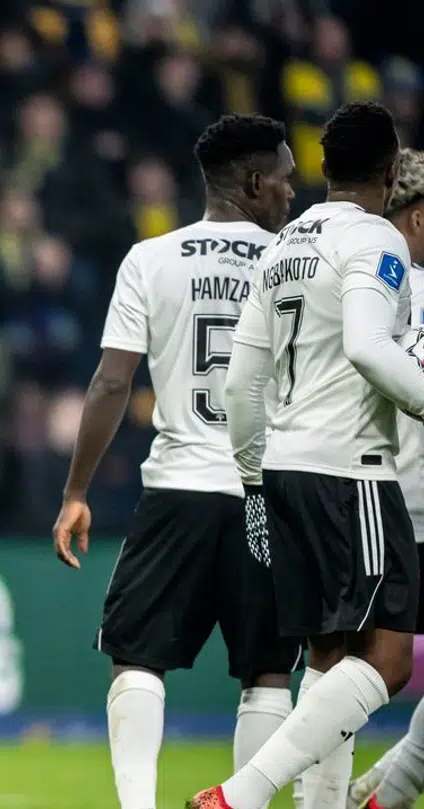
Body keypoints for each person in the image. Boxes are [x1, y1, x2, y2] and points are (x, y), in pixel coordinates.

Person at [52, 114, 301, 809]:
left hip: (180, 488)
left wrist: (76, 488)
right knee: (269, 670)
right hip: (267, 491)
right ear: (253, 183)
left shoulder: (150, 258)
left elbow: (110, 381)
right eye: (282, 180)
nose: (290, 193)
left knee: (137, 656)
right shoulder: (295, 263)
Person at [193, 101, 419, 809]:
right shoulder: (377, 241)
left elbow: (241, 380)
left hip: (285, 468)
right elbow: (366, 346)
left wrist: (256, 475)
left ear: (324, 168)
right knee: (385, 662)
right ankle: (241, 792)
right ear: (390, 170)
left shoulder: (283, 245)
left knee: (328, 659)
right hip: (350, 469)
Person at [348, 147, 424, 809]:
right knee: (374, 665)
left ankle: (378, 791)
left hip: (366, 493)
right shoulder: (402, 280)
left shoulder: (355, 275)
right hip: (403, 501)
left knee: (341, 659)